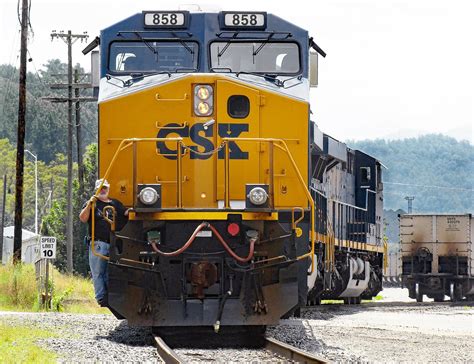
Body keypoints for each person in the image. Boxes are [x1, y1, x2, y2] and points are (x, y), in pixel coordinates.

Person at [79, 179, 130, 307]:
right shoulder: (92, 204)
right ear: (96, 189)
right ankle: (101, 297)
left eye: (105, 188)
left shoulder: (115, 203)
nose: (102, 190)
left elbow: (126, 213)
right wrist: (90, 204)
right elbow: (83, 218)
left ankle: (111, 296)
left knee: (110, 271)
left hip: (114, 244)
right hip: (98, 243)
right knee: (98, 272)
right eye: (100, 188)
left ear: (108, 189)